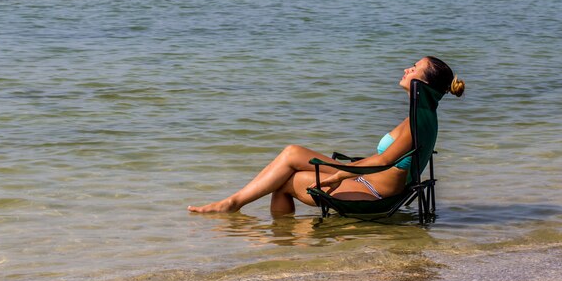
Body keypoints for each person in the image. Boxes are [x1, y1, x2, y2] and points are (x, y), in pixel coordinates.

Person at [188, 56, 465, 216]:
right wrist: (346, 172)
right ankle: (235, 205)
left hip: (372, 191)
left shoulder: (416, 122)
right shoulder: (421, 117)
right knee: (292, 152)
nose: (407, 69)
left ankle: (274, 235)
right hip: (366, 180)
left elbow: (384, 161)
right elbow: (386, 161)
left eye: (414, 68)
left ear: (422, 83)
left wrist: (341, 174)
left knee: (285, 182)